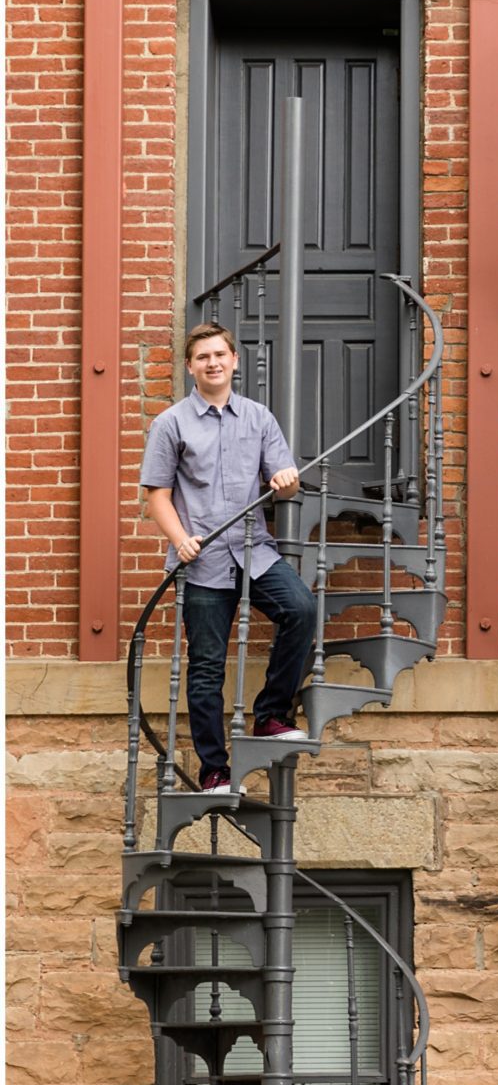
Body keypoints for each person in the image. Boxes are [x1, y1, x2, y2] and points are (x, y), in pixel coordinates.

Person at [140, 321, 317, 793]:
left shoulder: (259, 417)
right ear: (190, 367)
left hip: (253, 549)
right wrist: (180, 540)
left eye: (220, 355)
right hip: (200, 559)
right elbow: (157, 497)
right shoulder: (170, 423)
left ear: (234, 361)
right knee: (206, 666)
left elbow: (288, 482)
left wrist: (287, 481)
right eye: (203, 357)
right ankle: (214, 769)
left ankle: (272, 715)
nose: (213, 363)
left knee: (300, 609)